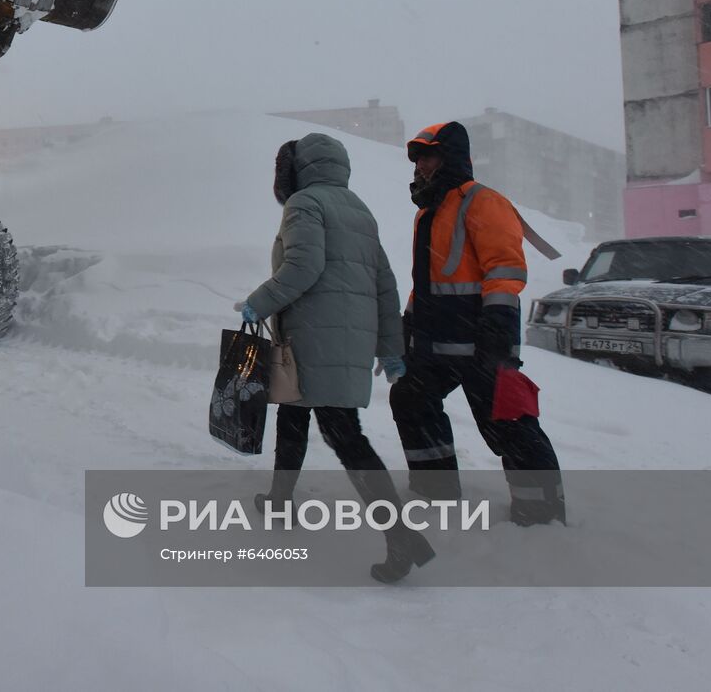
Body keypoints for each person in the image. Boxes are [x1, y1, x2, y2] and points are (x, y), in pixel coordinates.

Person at [237, 133, 434, 583]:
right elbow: (384, 282)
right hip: (341, 341)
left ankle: (401, 535)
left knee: (345, 436)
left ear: (296, 170)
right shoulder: (358, 209)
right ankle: (279, 499)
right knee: (294, 413)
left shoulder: (304, 204)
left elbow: (303, 268)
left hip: (315, 339)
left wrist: (258, 303)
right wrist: (390, 348)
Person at [392, 121, 565, 525]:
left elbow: (504, 270)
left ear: (450, 158)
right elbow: (430, 279)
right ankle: (434, 490)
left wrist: (498, 330)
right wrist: (408, 322)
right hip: (434, 344)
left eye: (429, 157)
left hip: (482, 341)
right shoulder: (428, 213)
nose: (421, 167)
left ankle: (541, 509)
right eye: (417, 160)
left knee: (507, 421)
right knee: (411, 400)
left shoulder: (483, 202)